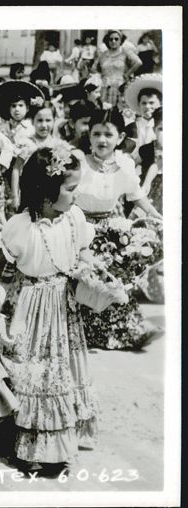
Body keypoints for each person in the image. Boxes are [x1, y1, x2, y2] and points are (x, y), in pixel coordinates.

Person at [0, 143, 98, 476]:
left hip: (62, 307)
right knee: (31, 373)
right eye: (70, 189)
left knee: (59, 373)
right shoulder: (21, 225)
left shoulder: (75, 217)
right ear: (47, 192)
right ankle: (27, 442)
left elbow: (83, 251)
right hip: (29, 307)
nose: (76, 195)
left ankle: (57, 446)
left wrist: (90, 270)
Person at [73, 109, 161, 350]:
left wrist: (155, 215)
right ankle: (86, 331)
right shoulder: (79, 162)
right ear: (89, 135)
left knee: (116, 279)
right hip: (80, 226)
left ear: (120, 137)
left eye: (108, 135)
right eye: (96, 134)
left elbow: (136, 194)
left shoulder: (125, 163)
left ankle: (126, 331)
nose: (102, 140)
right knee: (89, 281)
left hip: (110, 228)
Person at [0, 80, 43, 218]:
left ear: (27, 108)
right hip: (4, 172)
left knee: (22, 205)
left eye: (21, 105)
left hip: (23, 171)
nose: (17, 109)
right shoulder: (3, 128)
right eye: (13, 106)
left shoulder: (30, 129)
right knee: (4, 206)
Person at [92, 30, 142, 109]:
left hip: (120, 85)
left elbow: (138, 62)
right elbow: (93, 68)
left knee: (119, 110)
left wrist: (127, 74)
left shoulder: (125, 52)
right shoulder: (103, 54)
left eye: (116, 39)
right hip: (105, 86)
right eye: (111, 39)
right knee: (104, 109)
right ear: (107, 41)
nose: (113, 41)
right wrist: (100, 75)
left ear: (121, 40)